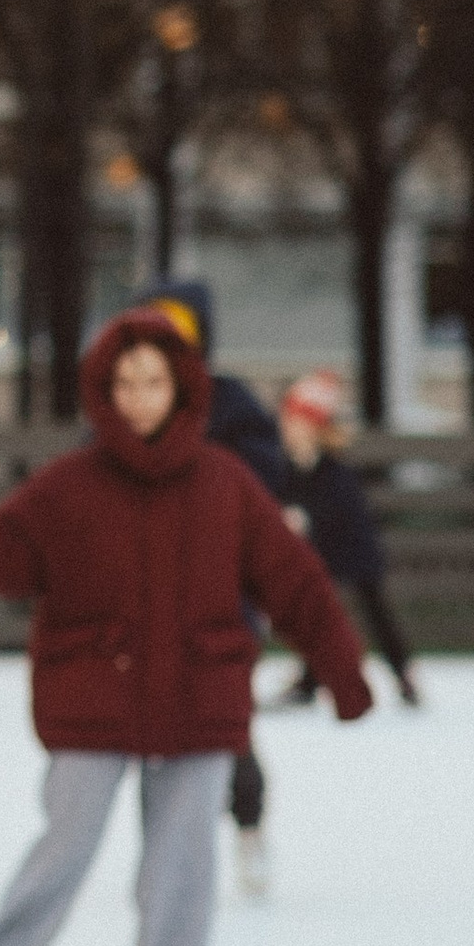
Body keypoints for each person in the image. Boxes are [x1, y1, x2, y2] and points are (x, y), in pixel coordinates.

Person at [0, 308, 370, 946]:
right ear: (104, 393)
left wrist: (342, 670)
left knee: (183, 855)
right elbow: (12, 559)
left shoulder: (224, 484)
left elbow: (294, 581)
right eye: (126, 384)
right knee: (67, 843)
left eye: (155, 381)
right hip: (95, 692)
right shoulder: (73, 484)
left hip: (198, 691)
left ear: (182, 387)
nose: (141, 398)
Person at [139, 281, 287, 895]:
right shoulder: (132, 401)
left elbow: (264, 475)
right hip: (146, 600)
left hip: (221, 601)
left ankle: (247, 824)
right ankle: (167, 850)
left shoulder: (228, 405)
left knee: (226, 723)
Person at [274, 370, 420, 706]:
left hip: (353, 549)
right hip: (322, 552)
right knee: (316, 611)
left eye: (295, 421)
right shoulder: (289, 466)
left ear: (313, 427)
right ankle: (310, 679)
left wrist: (305, 517)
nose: (287, 428)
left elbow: (336, 509)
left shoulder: (333, 470)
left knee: (373, 610)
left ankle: (403, 672)